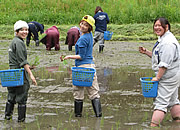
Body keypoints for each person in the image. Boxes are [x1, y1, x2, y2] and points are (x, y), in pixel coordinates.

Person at [139, 17, 180, 127]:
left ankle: (153, 126)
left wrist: (157, 78)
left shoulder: (168, 43)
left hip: (168, 77)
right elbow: (160, 58)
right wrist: (146, 52)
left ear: (166, 27)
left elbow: (164, 65)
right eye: (155, 25)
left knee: (160, 103)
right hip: (172, 76)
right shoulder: (163, 39)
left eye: (159, 26)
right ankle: (177, 123)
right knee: (173, 101)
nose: (156, 28)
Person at [63, 15, 102, 117]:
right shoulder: (89, 35)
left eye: (86, 25)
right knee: (93, 91)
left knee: (78, 91)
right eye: (82, 23)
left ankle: (78, 115)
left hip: (82, 68)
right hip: (90, 67)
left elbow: (81, 56)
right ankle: (98, 115)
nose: (83, 26)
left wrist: (68, 56)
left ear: (90, 27)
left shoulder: (82, 39)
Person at [6, 20, 37, 122]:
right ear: (16, 31)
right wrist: (31, 74)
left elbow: (17, 60)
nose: (25, 32)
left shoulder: (14, 41)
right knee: (22, 97)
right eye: (22, 30)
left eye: (26, 30)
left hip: (12, 72)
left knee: (11, 95)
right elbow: (22, 62)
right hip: (19, 74)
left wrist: (29, 67)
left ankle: (7, 117)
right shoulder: (19, 43)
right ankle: (21, 121)